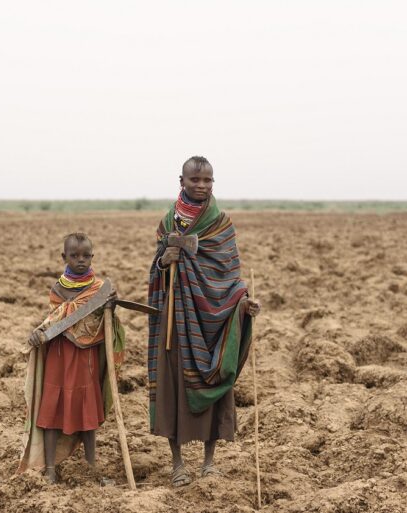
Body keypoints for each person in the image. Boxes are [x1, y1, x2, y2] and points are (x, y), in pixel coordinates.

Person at [147, 156, 261, 487]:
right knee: (174, 385)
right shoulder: (169, 223)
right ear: (181, 181)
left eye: (207, 180)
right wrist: (163, 262)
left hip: (213, 317)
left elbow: (229, 275)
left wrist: (243, 303)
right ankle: (178, 464)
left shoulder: (220, 225)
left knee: (213, 382)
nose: (201, 185)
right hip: (176, 317)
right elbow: (156, 268)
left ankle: (210, 463)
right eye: (194, 179)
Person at [17, 233, 124, 484]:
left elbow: (100, 323)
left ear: (92, 257)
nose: (81, 260)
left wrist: (110, 305)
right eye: (74, 256)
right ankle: (51, 468)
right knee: (53, 410)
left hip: (85, 358)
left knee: (87, 412)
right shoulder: (58, 289)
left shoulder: (99, 289)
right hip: (60, 355)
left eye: (86, 256)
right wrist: (41, 332)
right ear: (64, 258)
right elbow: (55, 320)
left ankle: (91, 466)